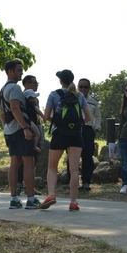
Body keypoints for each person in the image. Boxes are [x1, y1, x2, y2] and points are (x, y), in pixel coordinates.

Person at [40, 69, 91, 212]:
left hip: (59, 134)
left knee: (52, 167)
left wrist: (57, 121)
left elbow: (46, 117)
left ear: (60, 81)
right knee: (74, 169)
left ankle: (51, 194)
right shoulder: (79, 95)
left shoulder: (54, 94)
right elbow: (88, 118)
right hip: (76, 135)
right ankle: (73, 202)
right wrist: (76, 124)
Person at [0, 59, 41, 210]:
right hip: (20, 130)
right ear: (10, 71)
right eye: (19, 70)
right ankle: (31, 199)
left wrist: (6, 127)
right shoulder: (15, 88)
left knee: (14, 164)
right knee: (29, 162)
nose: (22, 73)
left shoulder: (2, 90)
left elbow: (2, 113)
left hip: (9, 131)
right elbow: (15, 108)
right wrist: (25, 128)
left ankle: (14, 199)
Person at [17, 75, 43, 195]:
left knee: (33, 160)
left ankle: (29, 187)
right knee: (25, 160)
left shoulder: (33, 98)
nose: (36, 84)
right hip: (27, 128)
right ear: (27, 84)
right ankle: (20, 185)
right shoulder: (24, 96)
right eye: (34, 82)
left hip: (34, 126)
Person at [77, 78, 102, 191]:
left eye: (85, 87)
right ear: (77, 87)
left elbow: (98, 116)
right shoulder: (73, 98)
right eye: (81, 87)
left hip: (88, 129)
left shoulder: (93, 101)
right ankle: (72, 181)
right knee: (73, 156)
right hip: (75, 129)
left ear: (89, 88)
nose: (83, 89)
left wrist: (96, 128)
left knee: (87, 156)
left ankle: (86, 182)